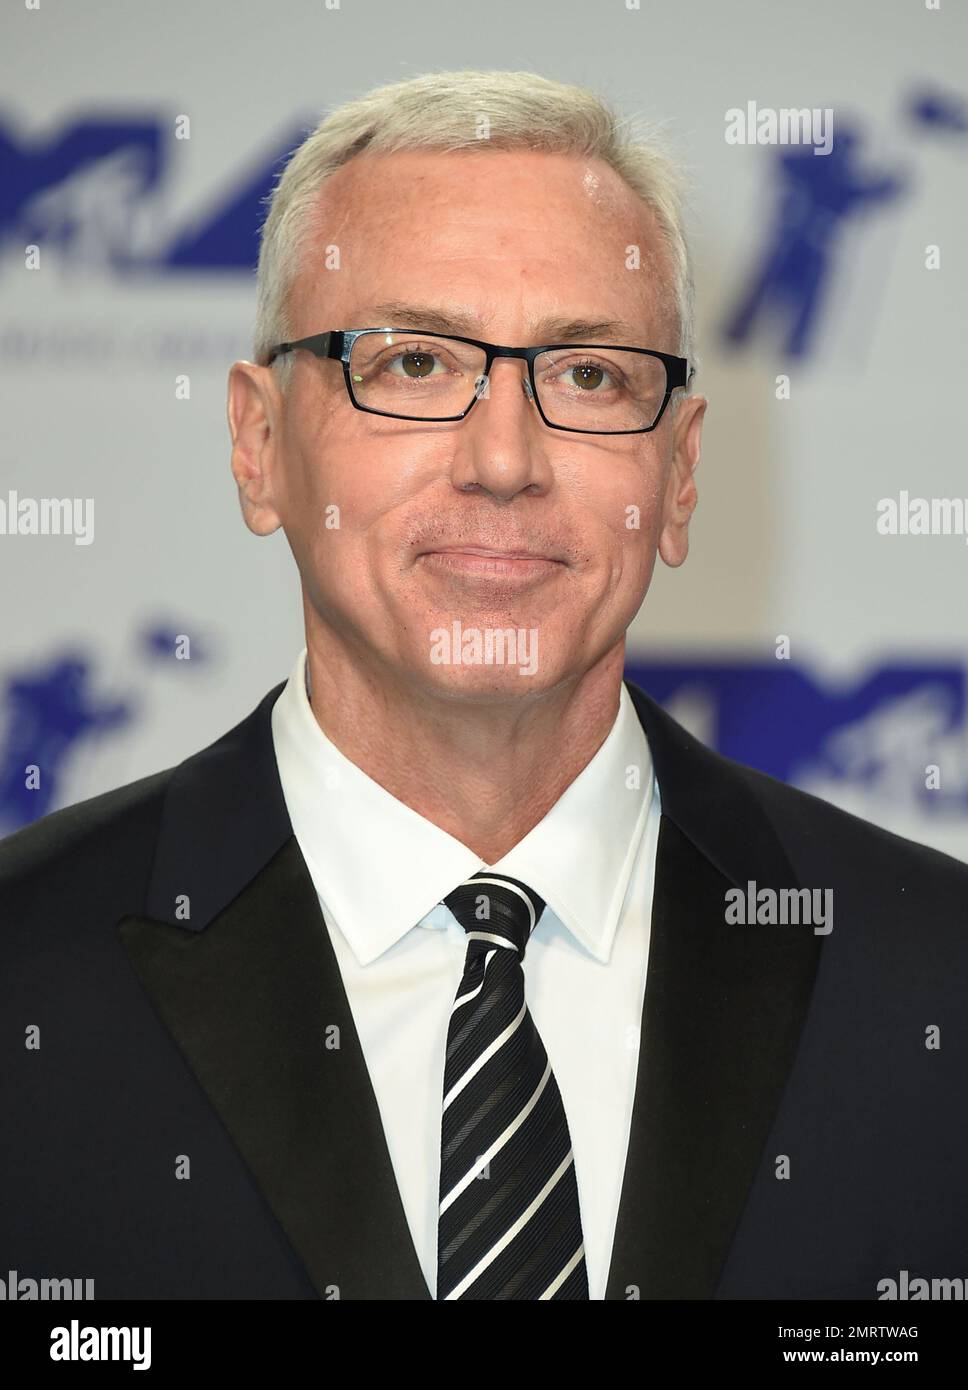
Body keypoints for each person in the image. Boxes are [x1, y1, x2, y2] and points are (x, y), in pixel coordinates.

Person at [1, 69, 965, 1302]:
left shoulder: (933, 984)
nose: (503, 459)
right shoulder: (25, 972)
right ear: (258, 448)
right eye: (410, 363)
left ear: (676, 476)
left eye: (587, 376)